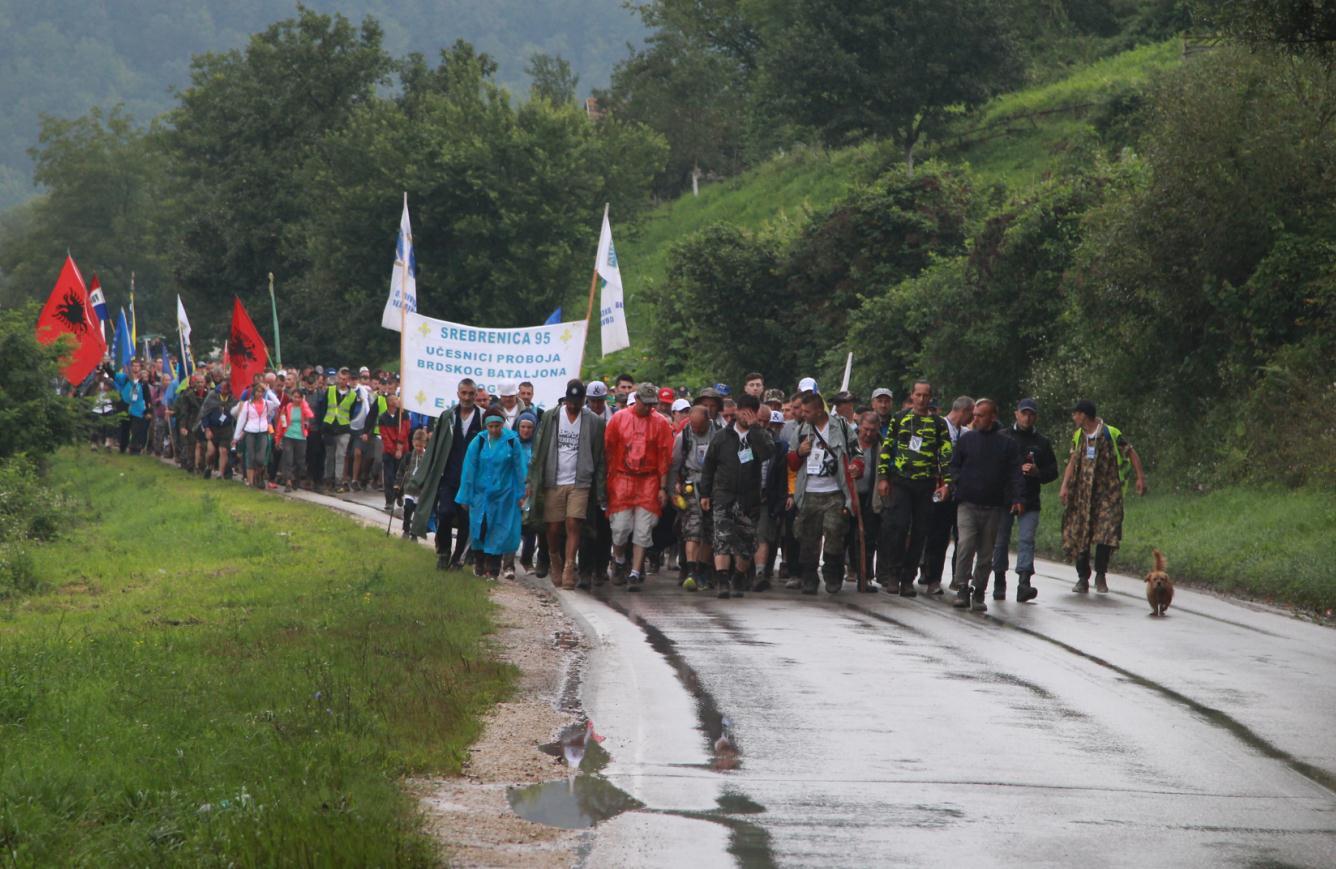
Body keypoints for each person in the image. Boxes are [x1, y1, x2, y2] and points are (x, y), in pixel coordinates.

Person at [526, 379, 607, 590]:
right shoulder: (551, 416)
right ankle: (555, 558)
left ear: (584, 401)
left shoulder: (594, 422)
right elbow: (539, 449)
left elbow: (598, 455)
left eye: (577, 402)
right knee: (552, 527)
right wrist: (534, 480)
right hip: (554, 479)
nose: (573, 406)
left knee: (574, 523)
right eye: (570, 402)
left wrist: (599, 488)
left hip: (580, 480)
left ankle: (570, 566)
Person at [1059, 399, 1147, 593]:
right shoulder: (1078, 435)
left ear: (1084, 415)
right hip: (1083, 494)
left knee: (1106, 532)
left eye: (1076, 413)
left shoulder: (1110, 433)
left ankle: (1101, 574)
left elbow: (1131, 453)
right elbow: (1073, 461)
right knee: (1082, 532)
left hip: (1108, 493)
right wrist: (1065, 486)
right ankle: (1082, 577)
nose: (1074, 417)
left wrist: (1140, 477)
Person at [876, 381, 952, 596]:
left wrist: (946, 483)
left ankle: (908, 578)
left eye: (925, 395)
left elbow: (945, 455)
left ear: (930, 398)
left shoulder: (938, 424)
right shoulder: (900, 419)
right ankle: (893, 573)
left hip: (926, 482)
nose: (921, 399)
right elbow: (887, 448)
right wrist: (883, 477)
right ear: (912, 396)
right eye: (917, 395)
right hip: (901, 481)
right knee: (898, 527)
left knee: (920, 532)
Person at [947, 399, 1025, 611]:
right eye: (974, 414)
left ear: (992, 417)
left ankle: (979, 590)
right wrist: (956, 483)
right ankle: (962, 586)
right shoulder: (967, 440)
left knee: (986, 552)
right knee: (966, 545)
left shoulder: (1007, 445)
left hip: (993, 506)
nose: (975, 419)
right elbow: (954, 465)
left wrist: (1017, 498)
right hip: (967, 503)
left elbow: (1015, 474)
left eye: (980, 415)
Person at [699, 393, 774, 598]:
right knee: (721, 538)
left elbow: (768, 453)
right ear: (737, 411)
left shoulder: (759, 435)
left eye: (751, 413)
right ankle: (722, 579)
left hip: (749, 497)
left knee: (746, 543)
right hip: (724, 494)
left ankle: (739, 576)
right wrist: (705, 493)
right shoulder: (722, 436)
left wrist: (756, 429)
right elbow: (709, 466)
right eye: (743, 412)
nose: (746, 417)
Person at [604, 382, 674, 590]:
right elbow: (608, 450)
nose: (649, 408)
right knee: (620, 528)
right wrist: (607, 480)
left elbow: (664, 457)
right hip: (622, 479)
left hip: (648, 480)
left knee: (643, 530)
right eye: (646, 404)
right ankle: (618, 560)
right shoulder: (619, 419)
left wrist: (662, 487)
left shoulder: (660, 423)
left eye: (653, 404)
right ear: (638, 400)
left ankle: (635, 572)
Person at [789, 389, 860, 595]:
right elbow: (792, 463)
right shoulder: (801, 431)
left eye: (807, 411)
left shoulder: (843, 428)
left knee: (835, 532)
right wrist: (799, 453)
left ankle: (833, 573)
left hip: (835, 492)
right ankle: (810, 577)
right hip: (809, 492)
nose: (803, 414)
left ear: (819, 410)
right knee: (808, 538)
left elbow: (857, 453)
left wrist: (856, 466)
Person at [409, 378, 484, 570]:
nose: (467, 397)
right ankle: (443, 552)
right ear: (458, 394)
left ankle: (458, 558)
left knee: (466, 520)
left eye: (470, 393)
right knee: (445, 513)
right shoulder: (447, 416)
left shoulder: (483, 419)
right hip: (449, 477)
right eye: (464, 393)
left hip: (471, 481)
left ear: (476, 395)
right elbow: (433, 448)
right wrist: (420, 478)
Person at [992, 398, 1058, 602]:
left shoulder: (1041, 442)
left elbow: (1053, 471)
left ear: (1035, 417)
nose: (1027, 417)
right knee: (1000, 540)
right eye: (1024, 413)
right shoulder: (1002, 437)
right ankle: (999, 581)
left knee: (1026, 540)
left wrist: (1038, 472)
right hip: (1004, 498)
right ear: (1016, 414)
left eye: (1031, 414)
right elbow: (991, 466)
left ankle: (1024, 582)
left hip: (1030, 498)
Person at [455, 406, 528, 579]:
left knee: (498, 531)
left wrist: (522, 493)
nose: (494, 430)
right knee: (479, 529)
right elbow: (468, 470)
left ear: (502, 424)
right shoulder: (478, 442)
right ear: (486, 426)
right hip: (480, 496)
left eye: (497, 426)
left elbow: (520, 469)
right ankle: (480, 563)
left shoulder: (512, 441)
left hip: (504, 496)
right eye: (491, 426)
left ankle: (493, 570)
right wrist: (465, 495)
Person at [923, 394, 974, 590]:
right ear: (964, 411)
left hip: (959, 491)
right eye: (972, 413)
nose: (973, 418)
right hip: (938, 487)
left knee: (963, 537)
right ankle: (932, 578)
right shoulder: (937, 427)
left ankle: (959, 578)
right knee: (938, 535)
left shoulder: (967, 434)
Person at [671, 402, 716, 591]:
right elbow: (675, 464)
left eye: (700, 426)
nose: (696, 429)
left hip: (713, 485)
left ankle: (703, 570)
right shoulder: (685, 436)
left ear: (708, 421)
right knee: (692, 529)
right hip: (691, 485)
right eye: (693, 425)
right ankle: (690, 571)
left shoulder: (718, 434)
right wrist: (674, 487)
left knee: (709, 530)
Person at [755, 409, 791, 585]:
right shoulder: (745, 441)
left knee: (763, 536)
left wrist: (779, 501)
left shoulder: (779, 446)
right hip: (746, 496)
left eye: (766, 422)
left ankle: (760, 574)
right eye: (759, 421)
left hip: (766, 498)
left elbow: (783, 477)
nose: (762, 425)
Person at [847, 410, 882, 591]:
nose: (868, 434)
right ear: (859, 426)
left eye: (872, 430)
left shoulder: (881, 447)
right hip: (849, 495)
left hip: (870, 497)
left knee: (867, 537)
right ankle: (846, 569)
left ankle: (865, 575)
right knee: (845, 534)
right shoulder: (849, 442)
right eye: (865, 429)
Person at [312, 368, 358, 493]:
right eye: (341, 378)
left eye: (345, 379)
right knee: (330, 455)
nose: (342, 381)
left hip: (343, 427)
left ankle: (338, 481)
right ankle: (328, 480)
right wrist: (323, 425)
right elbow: (324, 408)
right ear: (337, 378)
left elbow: (352, 412)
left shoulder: (353, 395)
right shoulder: (330, 390)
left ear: (348, 380)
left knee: (340, 456)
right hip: (330, 426)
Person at [514, 411, 547, 575]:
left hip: (530, 491)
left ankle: (526, 560)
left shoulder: (537, 446)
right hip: (513, 489)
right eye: (523, 426)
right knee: (512, 526)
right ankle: (506, 562)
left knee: (530, 527)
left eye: (529, 427)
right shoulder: (512, 443)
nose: (526, 430)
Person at [232, 379, 279, 489]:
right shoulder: (248, 405)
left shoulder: (267, 404)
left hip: (262, 432)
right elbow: (241, 420)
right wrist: (236, 437)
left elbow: (277, 403)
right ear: (254, 392)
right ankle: (250, 481)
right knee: (250, 456)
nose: (260, 393)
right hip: (250, 432)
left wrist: (268, 390)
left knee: (261, 458)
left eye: (261, 392)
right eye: (257, 391)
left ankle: (259, 476)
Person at [274, 385, 313, 492]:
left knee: (300, 461)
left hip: (301, 436)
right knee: (288, 459)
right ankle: (288, 482)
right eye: (294, 397)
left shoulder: (304, 408)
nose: (296, 399)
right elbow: (281, 423)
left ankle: (296, 478)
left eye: (298, 397)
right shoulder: (287, 408)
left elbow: (310, 415)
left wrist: (304, 404)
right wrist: (278, 437)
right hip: (288, 435)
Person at [396, 428, 430, 539]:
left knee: (417, 513)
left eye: (421, 446)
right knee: (408, 508)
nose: (419, 448)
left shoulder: (427, 458)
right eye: (416, 446)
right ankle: (406, 530)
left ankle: (414, 534)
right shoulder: (408, 456)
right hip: (409, 488)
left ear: (425, 444)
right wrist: (397, 485)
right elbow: (401, 471)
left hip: (420, 490)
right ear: (413, 443)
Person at [378, 394, 410, 511]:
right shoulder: (383, 418)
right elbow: (385, 436)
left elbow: (405, 430)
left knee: (400, 476)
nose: (396, 401)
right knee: (389, 477)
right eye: (393, 399)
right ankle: (389, 501)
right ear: (389, 402)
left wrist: (400, 447)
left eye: (396, 399)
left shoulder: (403, 414)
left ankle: (400, 494)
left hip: (402, 451)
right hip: (389, 452)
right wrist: (393, 450)